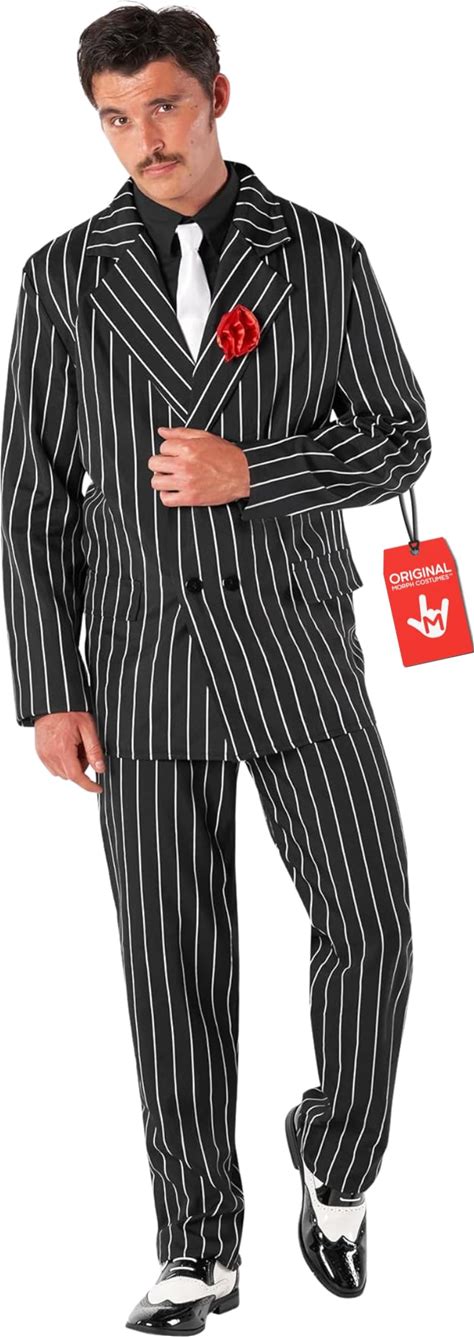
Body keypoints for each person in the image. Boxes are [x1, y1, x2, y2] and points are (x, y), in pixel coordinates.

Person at [0, 4, 432, 1324]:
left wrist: (263, 471)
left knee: (371, 925)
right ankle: (199, 1246)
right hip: (139, 663)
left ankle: (337, 1162)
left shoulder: (322, 254)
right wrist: (50, 687)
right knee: (173, 966)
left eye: (166, 106)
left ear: (217, 97)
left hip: (297, 645)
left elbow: (400, 438)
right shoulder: (62, 277)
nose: (146, 138)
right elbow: (31, 498)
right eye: (116, 118)